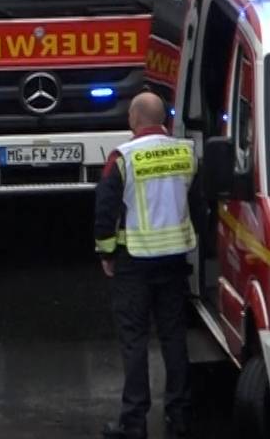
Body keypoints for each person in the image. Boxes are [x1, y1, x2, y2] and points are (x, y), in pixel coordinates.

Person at [93, 92, 198, 439]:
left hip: (134, 261)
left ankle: (133, 421)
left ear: (136, 119)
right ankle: (179, 414)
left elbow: (106, 211)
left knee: (134, 340)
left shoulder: (123, 158)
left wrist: (107, 255)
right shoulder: (186, 152)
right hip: (174, 260)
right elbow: (196, 202)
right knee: (173, 338)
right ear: (163, 120)